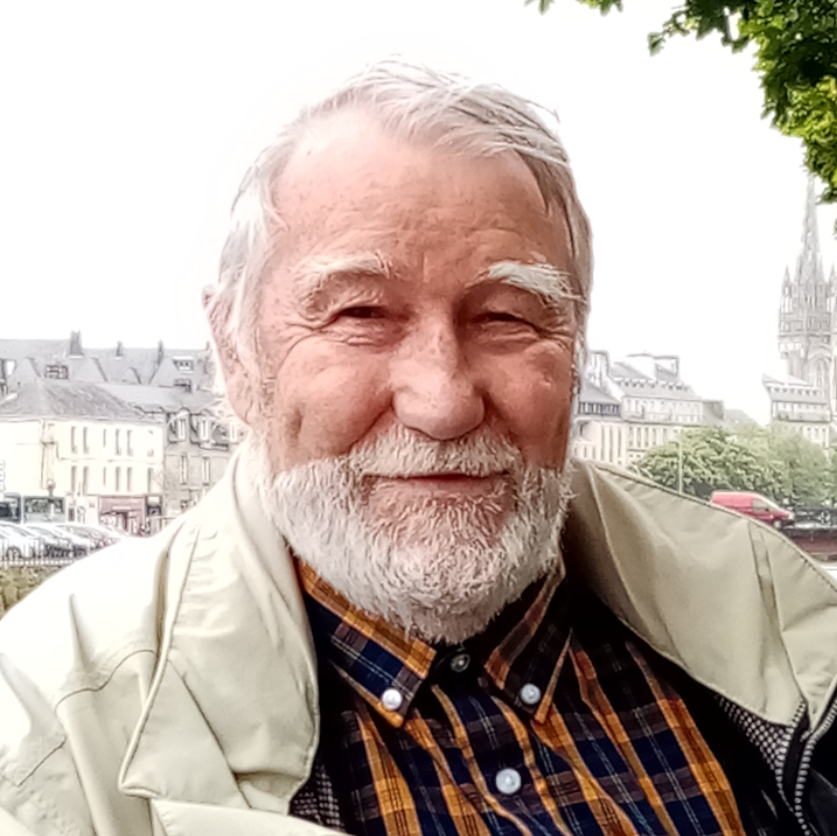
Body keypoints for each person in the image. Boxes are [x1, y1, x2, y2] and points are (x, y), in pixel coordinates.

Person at [1, 62, 837, 836]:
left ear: (577, 347)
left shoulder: (780, 632)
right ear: (234, 350)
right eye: (360, 314)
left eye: (507, 315)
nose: (440, 403)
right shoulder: (48, 724)